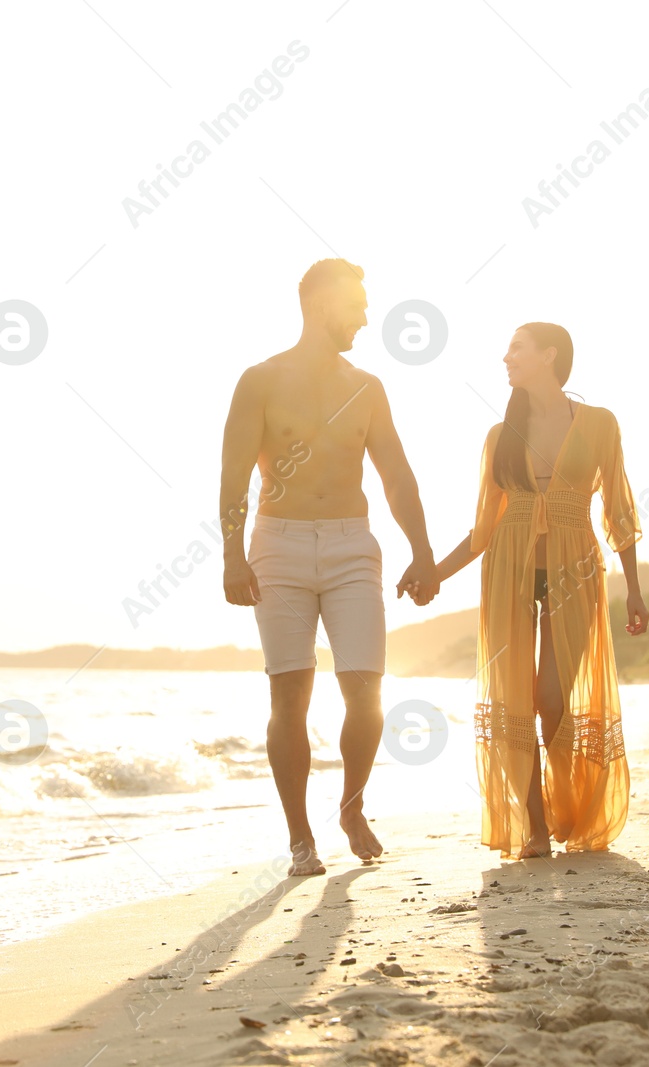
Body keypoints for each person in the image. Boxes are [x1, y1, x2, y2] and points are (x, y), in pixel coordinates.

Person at [220, 258, 439, 877]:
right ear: (319, 304)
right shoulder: (259, 380)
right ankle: (299, 838)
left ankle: (350, 805)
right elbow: (233, 476)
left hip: (350, 545)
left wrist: (422, 551)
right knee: (290, 692)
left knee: (366, 690)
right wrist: (232, 553)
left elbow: (396, 475)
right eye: (357, 306)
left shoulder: (366, 387)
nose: (366, 318)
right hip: (278, 545)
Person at [403, 322, 649, 860]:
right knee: (516, 701)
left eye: (517, 348)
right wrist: (433, 574)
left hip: (575, 569)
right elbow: (482, 529)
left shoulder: (600, 424)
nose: (506, 357)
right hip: (508, 569)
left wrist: (633, 588)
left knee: (553, 700)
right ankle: (535, 828)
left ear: (549, 354)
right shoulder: (499, 435)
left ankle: (570, 804)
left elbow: (619, 511)